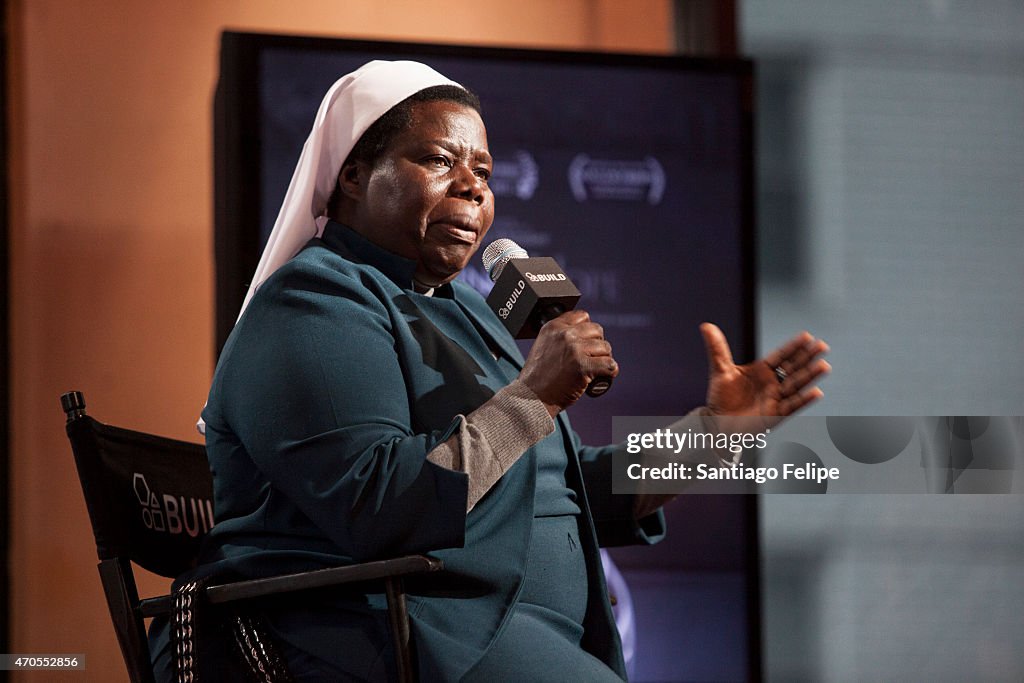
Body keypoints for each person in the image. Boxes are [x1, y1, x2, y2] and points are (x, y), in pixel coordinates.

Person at [150, 60, 829, 681]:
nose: (472, 185)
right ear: (353, 175)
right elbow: (379, 504)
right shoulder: (314, 302)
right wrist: (533, 396)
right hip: (381, 634)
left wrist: (712, 434)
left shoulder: (468, 312)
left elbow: (572, 487)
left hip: (488, 630)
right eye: (440, 160)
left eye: (484, 169)